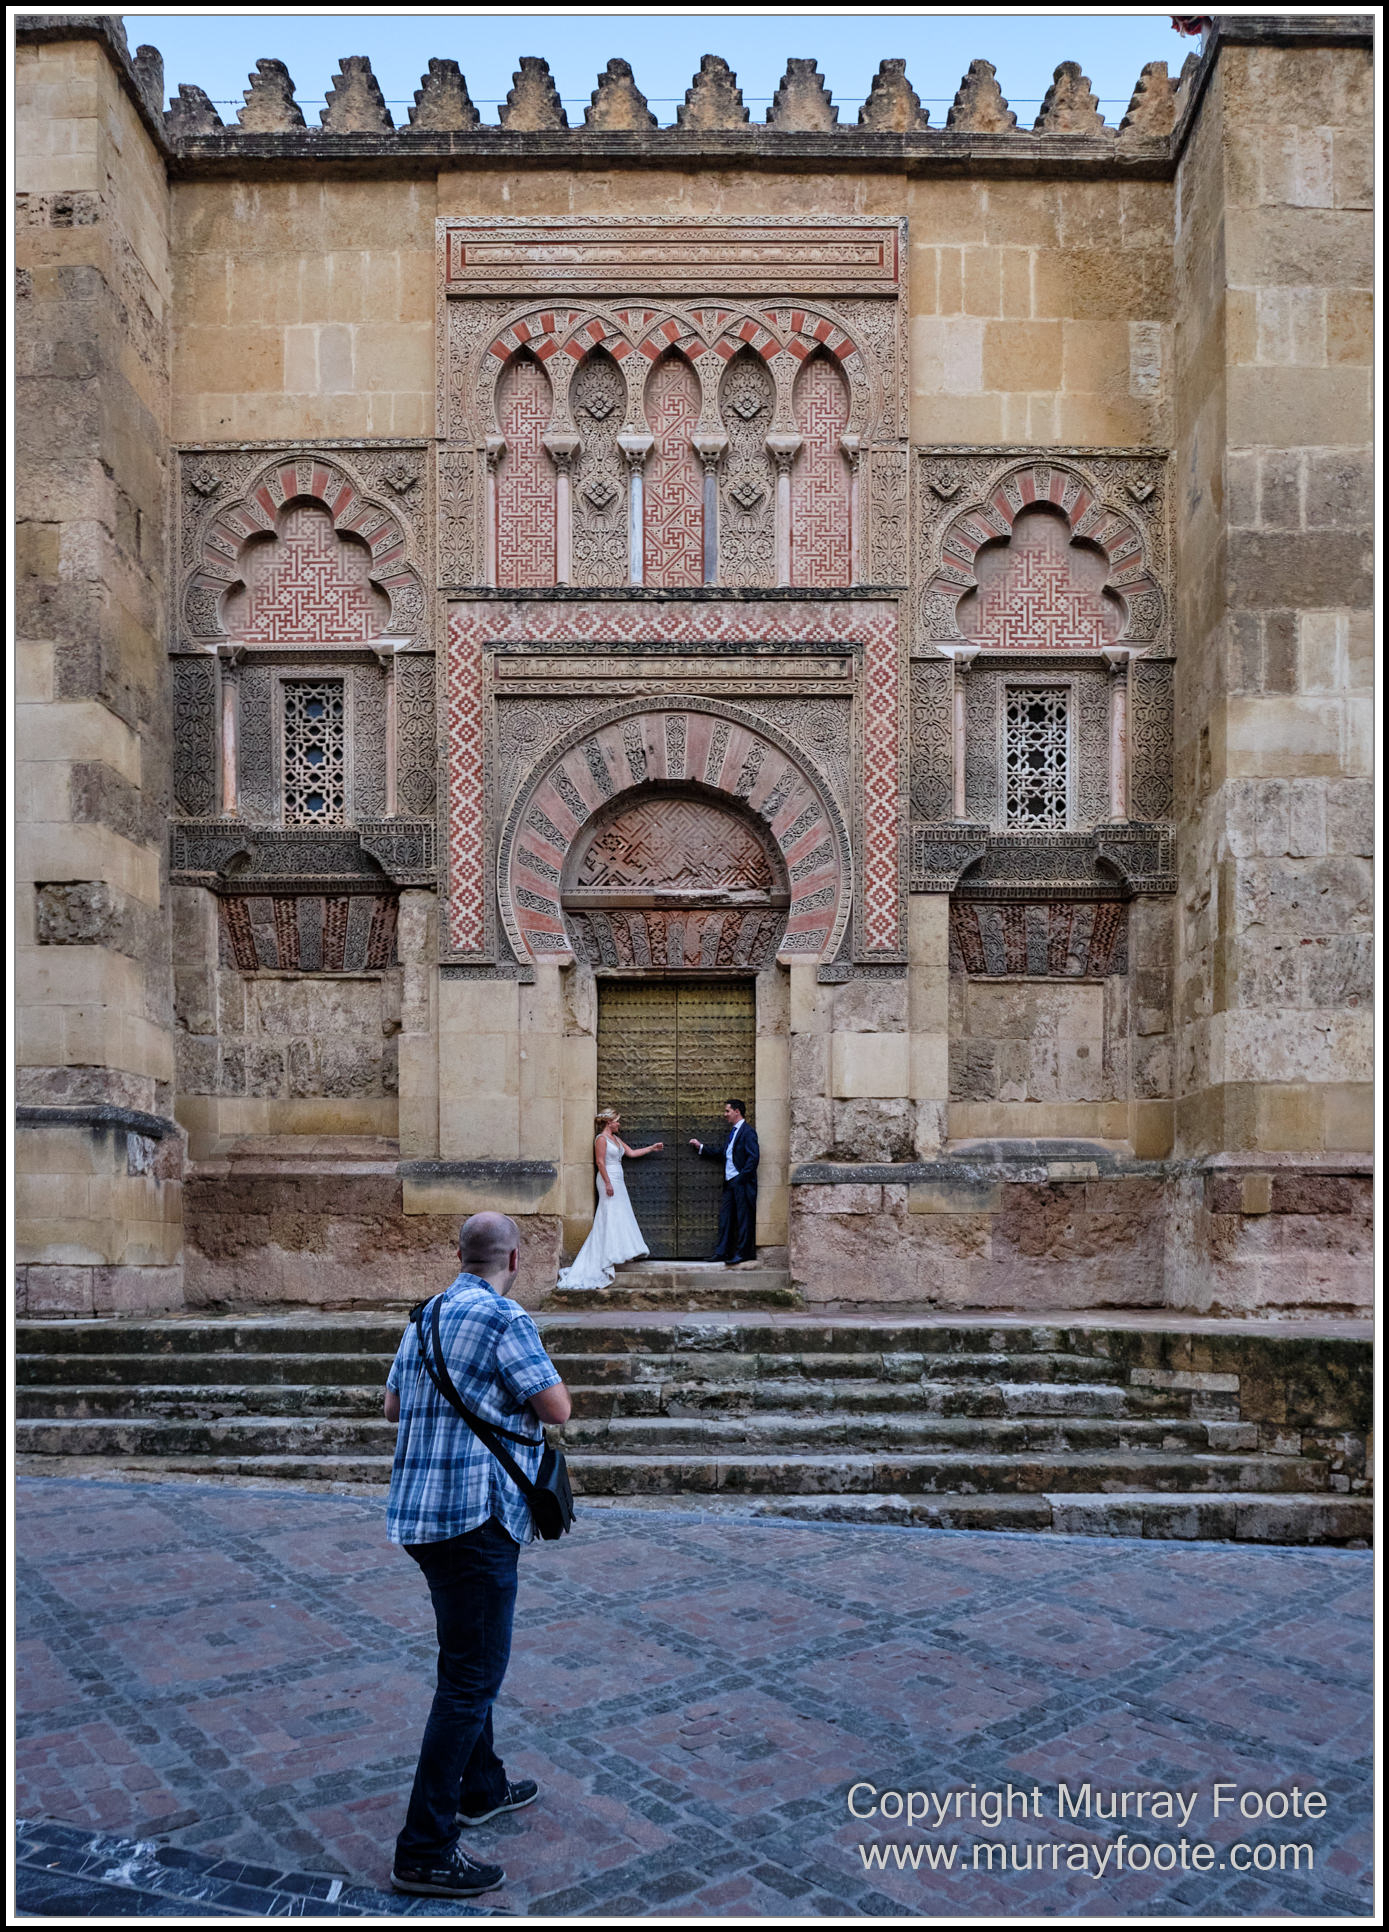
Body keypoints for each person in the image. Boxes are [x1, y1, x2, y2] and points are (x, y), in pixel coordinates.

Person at [384, 1211, 572, 1900]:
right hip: (478, 1516)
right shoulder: (506, 1318)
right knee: (469, 1679)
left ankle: (481, 1786)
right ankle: (425, 1847)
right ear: (514, 1259)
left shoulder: (424, 1316)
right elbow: (557, 1409)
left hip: (422, 1516)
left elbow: (390, 1406)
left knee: (465, 1659)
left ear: (459, 1254)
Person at [554, 1108, 663, 1292]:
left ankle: (616, 1252)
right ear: (609, 1122)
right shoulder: (601, 1139)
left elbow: (632, 1153)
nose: (619, 1124)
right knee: (608, 1215)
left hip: (618, 1180)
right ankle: (605, 1256)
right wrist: (607, 1183)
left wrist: (652, 1148)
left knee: (620, 1215)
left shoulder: (617, 1139)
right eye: (617, 1121)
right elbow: (600, 1162)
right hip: (608, 1180)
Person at [690, 1097, 759, 1268]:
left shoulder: (748, 1132)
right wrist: (701, 1147)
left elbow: (753, 1158)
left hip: (740, 1182)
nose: (725, 1114)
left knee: (743, 1219)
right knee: (726, 1218)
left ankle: (742, 1253)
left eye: (727, 1111)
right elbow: (725, 1153)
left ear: (737, 1111)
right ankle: (722, 1252)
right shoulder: (734, 1132)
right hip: (730, 1183)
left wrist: (741, 1179)